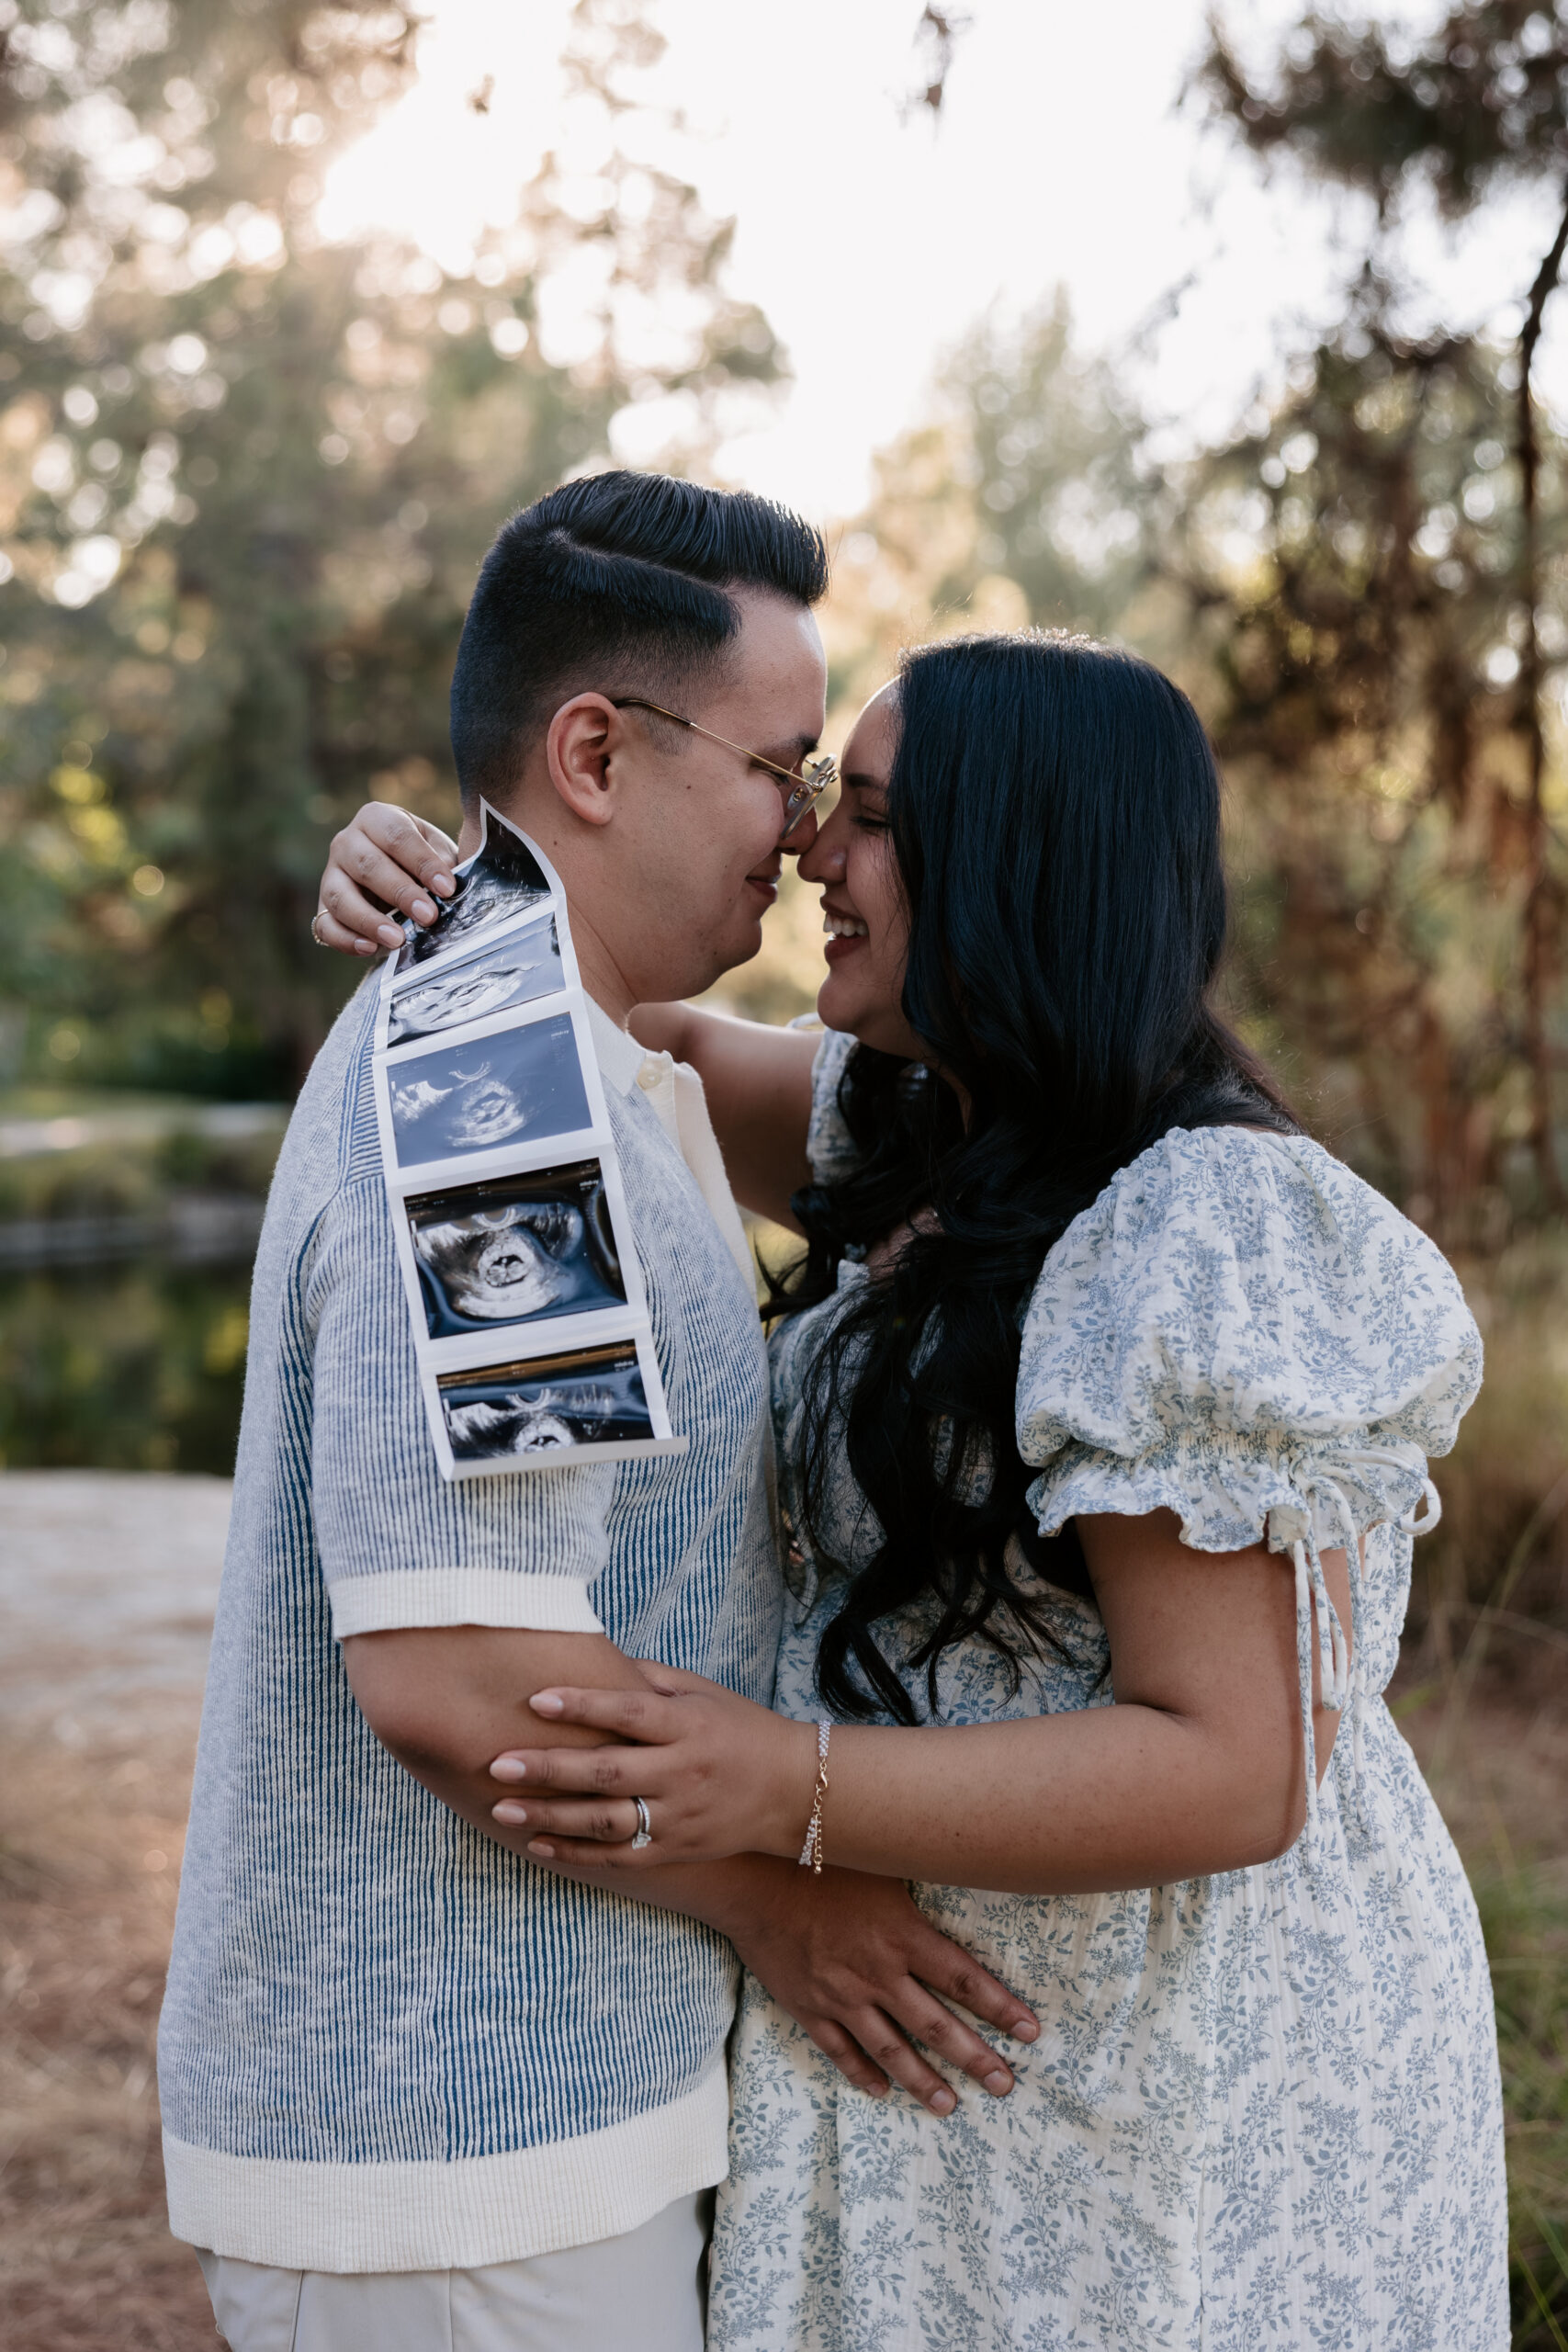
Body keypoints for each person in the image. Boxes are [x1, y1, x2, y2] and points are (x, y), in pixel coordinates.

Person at [331, 627, 1507, 2348]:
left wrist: (778, 1785)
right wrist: (439, 881)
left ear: (1015, 865)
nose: (813, 847)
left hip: (1170, 2055)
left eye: (870, 817)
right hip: (953, 2031)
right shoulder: (919, 1124)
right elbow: (614, 1006)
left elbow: (1237, 1766)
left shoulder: (1195, 1223)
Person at [158, 474, 1037, 2352]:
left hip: (514, 2133)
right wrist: (782, 1903)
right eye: (780, 770)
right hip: (459, 2152)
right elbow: (466, 1678)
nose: (803, 834)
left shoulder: (563, 1044)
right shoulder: (499, 1095)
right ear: (592, 753)